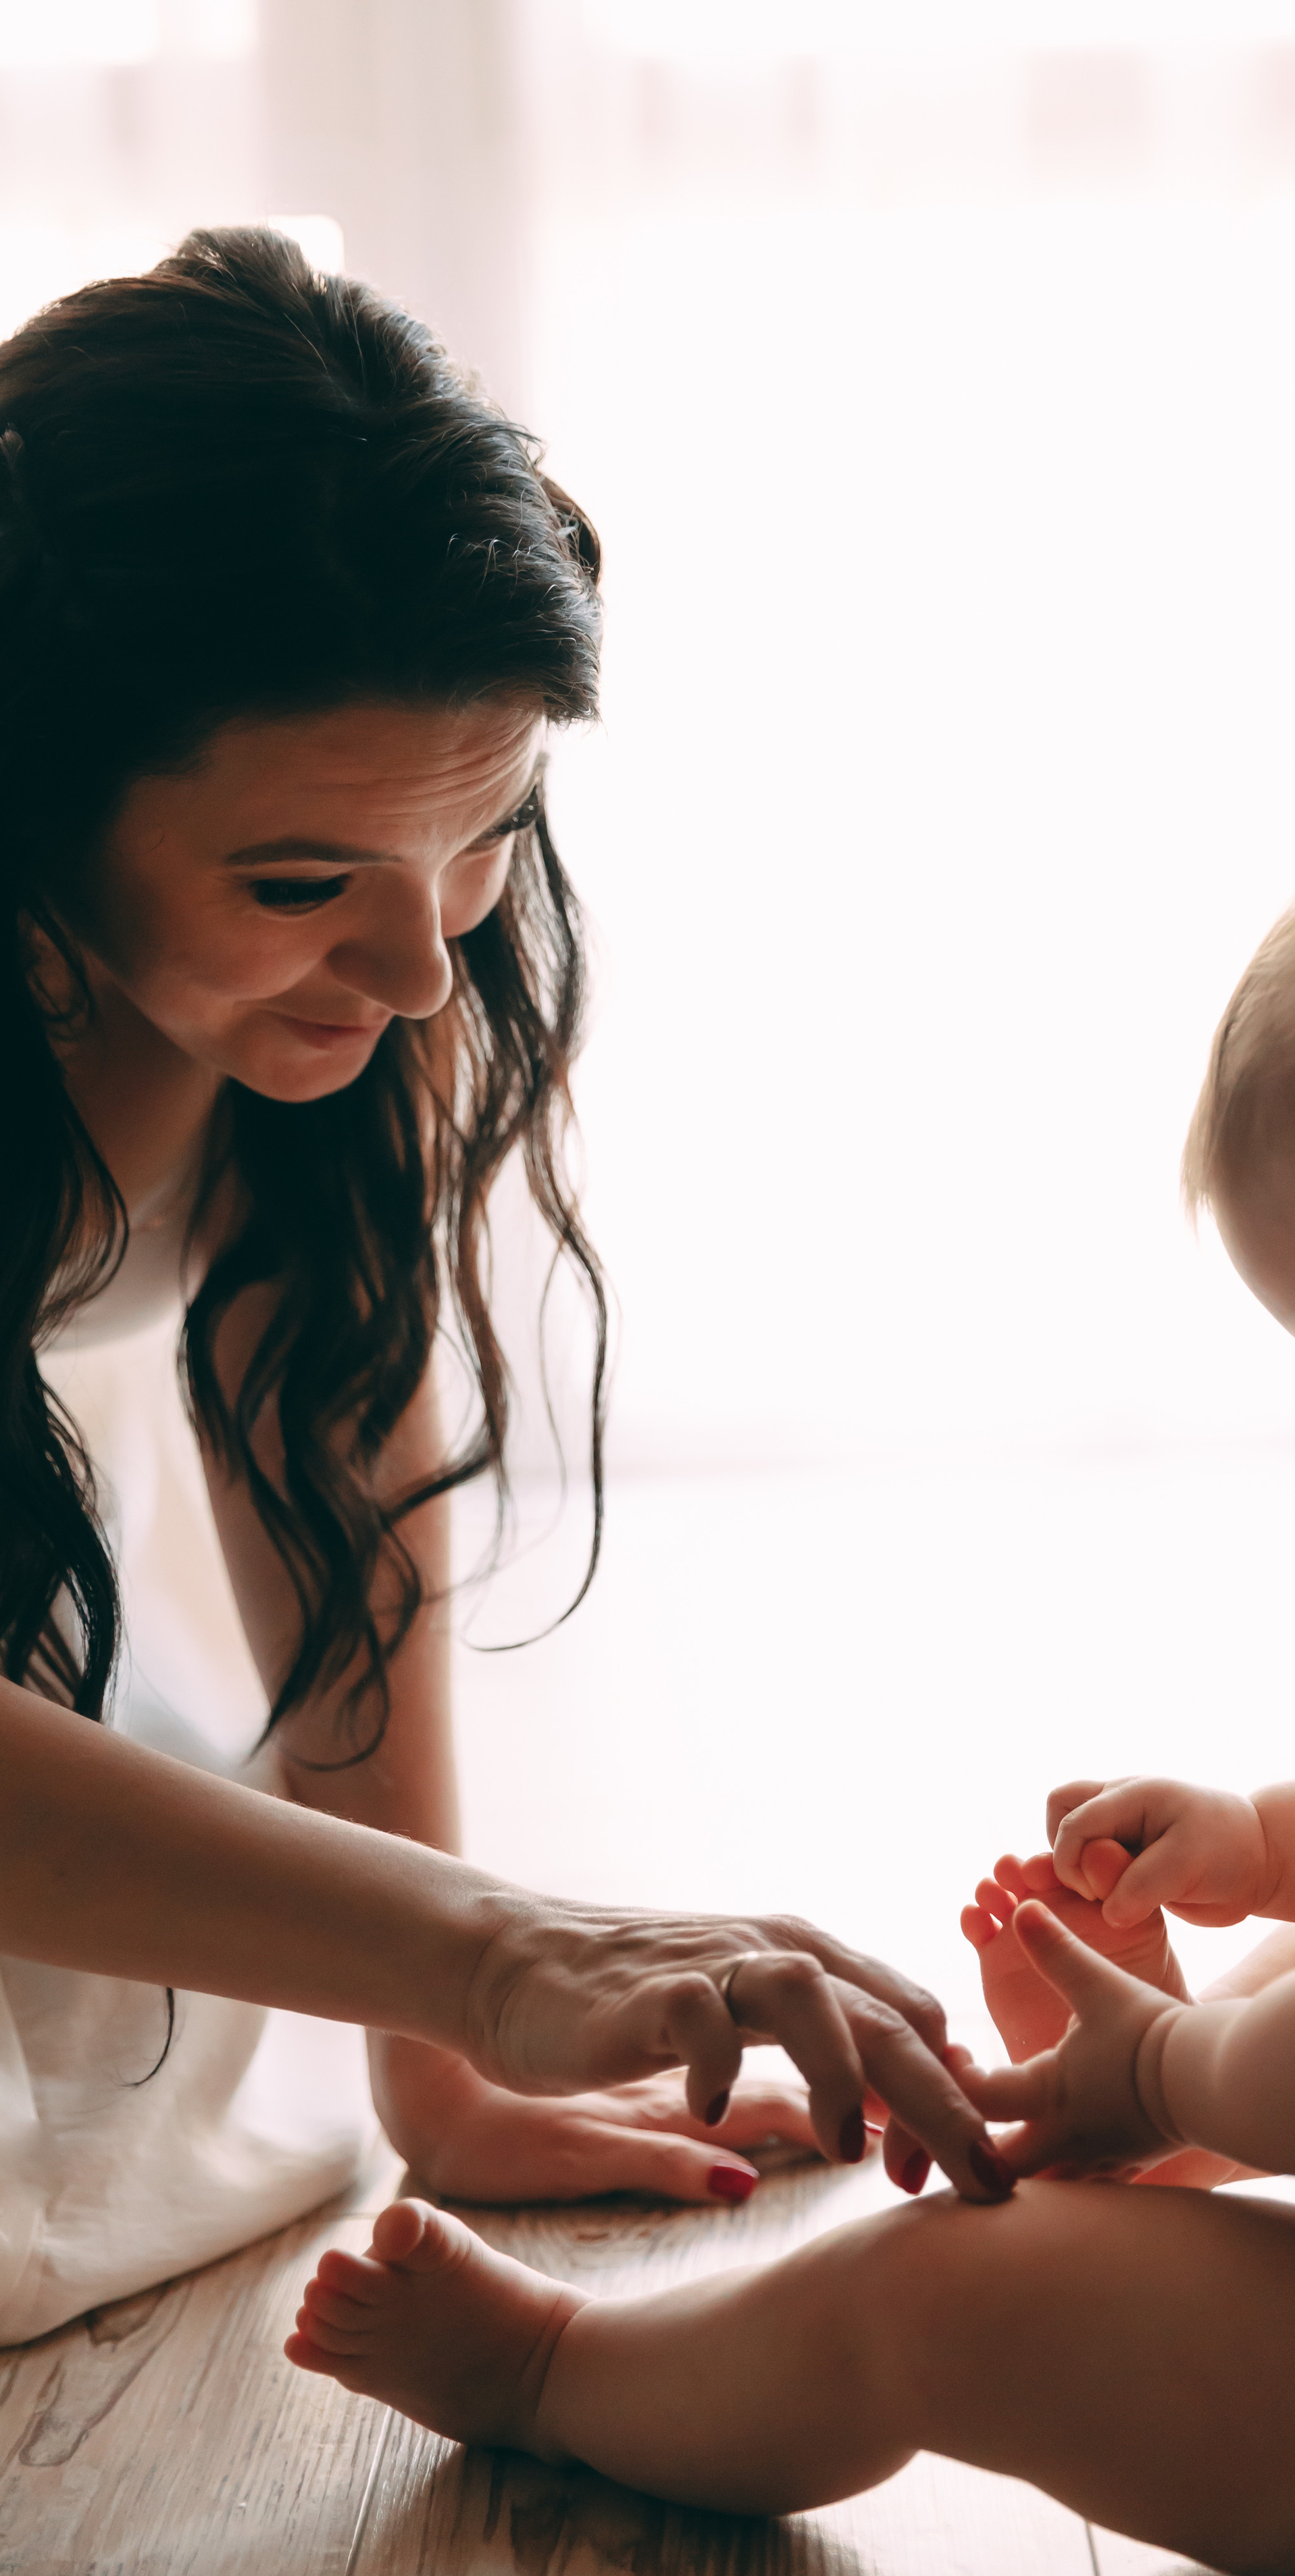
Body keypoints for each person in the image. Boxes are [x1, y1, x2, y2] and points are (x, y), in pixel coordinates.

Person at [291, 796, 1295, 2576]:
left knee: (948, 2290)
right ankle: (1127, 2124)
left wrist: (1175, 2063)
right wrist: (1265, 1844)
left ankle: (561, 2376)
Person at [0, 226, 1009, 2350]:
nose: (419, 970)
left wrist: (441, 2067)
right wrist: (493, 1949)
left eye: (484, 835)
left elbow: (329, 1399)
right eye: (302, 883)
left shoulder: (379, 955)